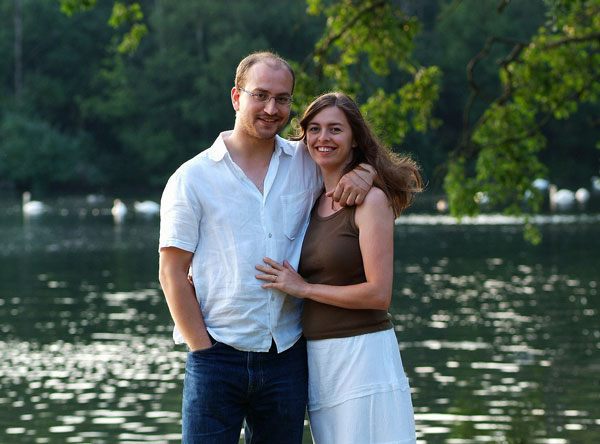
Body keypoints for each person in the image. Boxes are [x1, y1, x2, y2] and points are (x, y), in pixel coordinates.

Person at [158, 52, 375, 444]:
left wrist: (367, 172)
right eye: (260, 95)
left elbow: (360, 159)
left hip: (287, 357)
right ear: (236, 97)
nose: (272, 109)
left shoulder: (307, 162)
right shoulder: (192, 178)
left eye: (282, 99)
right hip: (216, 356)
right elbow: (171, 273)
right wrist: (203, 349)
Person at [255, 92, 422, 444]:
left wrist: (303, 288)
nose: (323, 138)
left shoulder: (370, 201)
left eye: (335, 129)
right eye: (314, 129)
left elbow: (379, 294)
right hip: (319, 360)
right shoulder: (311, 196)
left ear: (355, 138)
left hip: (363, 355)